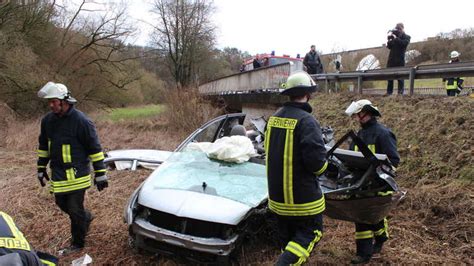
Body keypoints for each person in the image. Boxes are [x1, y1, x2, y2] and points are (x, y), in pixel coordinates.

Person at [265, 71, 333, 265]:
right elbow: (317, 164)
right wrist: (325, 167)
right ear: (308, 94)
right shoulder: (307, 121)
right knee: (309, 236)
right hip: (303, 203)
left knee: (288, 243)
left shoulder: (274, 118)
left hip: (277, 201)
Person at [36, 82, 108, 255]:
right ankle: (86, 217)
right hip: (59, 174)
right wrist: (40, 167)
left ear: (64, 100)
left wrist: (100, 174)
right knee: (61, 203)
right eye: (50, 102)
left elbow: (94, 149)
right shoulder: (47, 121)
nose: (51, 105)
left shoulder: (81, 121)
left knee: (75, 209)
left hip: (77, 174)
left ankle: (78, 244)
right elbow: (44, 146)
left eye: (53, 101)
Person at [344, 99, 400, 264]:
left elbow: (394, 160)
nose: (357, 118)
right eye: (355, 115)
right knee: (362, 217)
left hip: (377, 184)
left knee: (370, 216)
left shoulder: (383, 133)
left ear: (367, 112)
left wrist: (378, 174)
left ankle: (365, 253)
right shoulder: (359, 135)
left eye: (358, 114)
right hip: (360, 183)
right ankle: (370, 246)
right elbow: (352, 158)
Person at [386, 23, 411, 95]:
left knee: (400, 78)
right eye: (397, 28)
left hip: (400, 60)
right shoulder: (394, 36)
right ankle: (389, 93)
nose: (398, 30)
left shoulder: (407, 37)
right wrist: (389, 39)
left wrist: (396, 38)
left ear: (403, 28)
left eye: (399, 28)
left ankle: (400, 94)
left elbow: (404, 44)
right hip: (391, 60)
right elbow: (389, 46)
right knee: (390, 78)